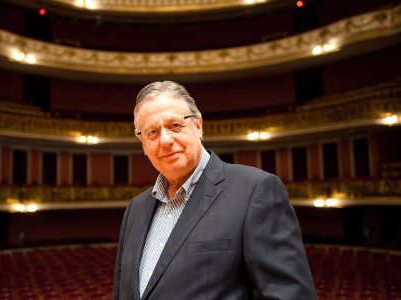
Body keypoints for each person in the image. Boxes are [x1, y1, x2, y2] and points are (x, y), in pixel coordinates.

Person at [112, 80, 316, 300]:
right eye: (152, 132)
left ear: (198, 125)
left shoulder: (255, 191)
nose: (165, 140)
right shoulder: (135, 209)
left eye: (175, 126)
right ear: (142, 142)